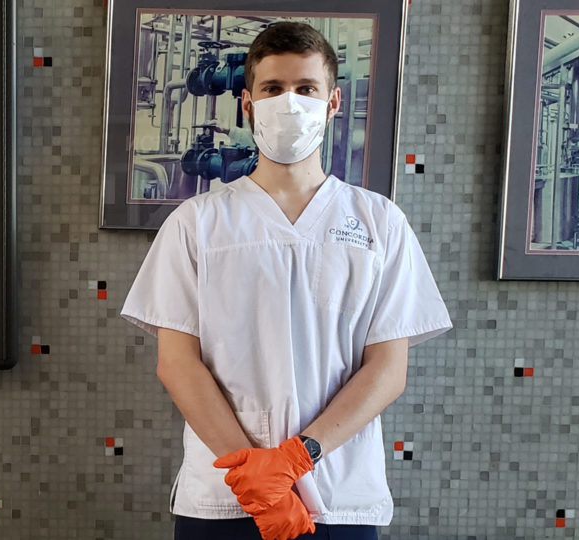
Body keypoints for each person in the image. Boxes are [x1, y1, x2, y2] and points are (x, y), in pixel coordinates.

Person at [121, 22, 451, 540]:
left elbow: (387, 369)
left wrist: (298, 457)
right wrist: (257, 479)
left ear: (333, 101)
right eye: (273, 89)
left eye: (306, 89)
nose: (290, 102)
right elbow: (177, 363)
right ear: (248, 104)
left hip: (338, 500)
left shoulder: (379, 223)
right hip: (225, 499)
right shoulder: (197, 223)